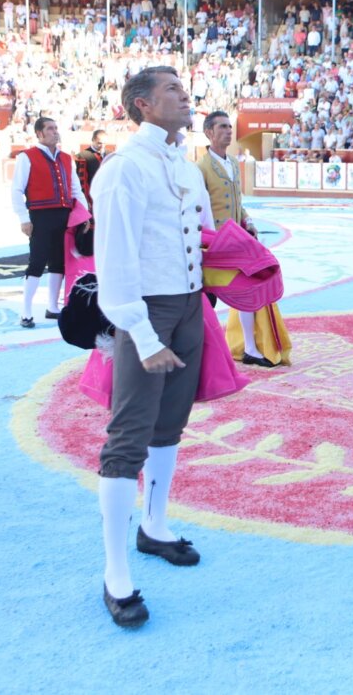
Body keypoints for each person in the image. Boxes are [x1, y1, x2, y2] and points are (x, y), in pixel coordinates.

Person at [92, 66, 214, 628]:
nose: (184, 97)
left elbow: (203, 238)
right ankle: (116, 572)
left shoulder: (182, 164)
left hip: (189, 306)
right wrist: (140, 334)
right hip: (148, 311)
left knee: (170, 426)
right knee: (127, 438)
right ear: (141, 105)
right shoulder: (124, 168)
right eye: (171, 90)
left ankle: (154, 526)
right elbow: (115, 262)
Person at [197, 110, 289, 367]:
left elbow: (238, 203)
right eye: (222, 127)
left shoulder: (231, 164)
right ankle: (229, 348)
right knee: (210, 298)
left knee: (247, 288)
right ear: (209, 132)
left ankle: (248, 347)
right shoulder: (201, 168)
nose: (228, 131)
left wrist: (246, 219)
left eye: (229, 126)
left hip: (235, 241)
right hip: (214, 244)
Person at [11, 117, 88, 328]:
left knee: (59, 262)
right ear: (39, 133)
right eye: (50, 129)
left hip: (64, 215)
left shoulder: (66, 158)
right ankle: (26, 311)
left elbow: (75, 190)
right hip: (40, 215)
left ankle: (53, 306)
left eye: (56, 128)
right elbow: (17, 190)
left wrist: (85, 216)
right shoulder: (26, 157)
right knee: (36, 262)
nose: (55, 132)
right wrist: (23, 218)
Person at [76, 129, 108, 200]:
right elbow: (82, 181)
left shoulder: (111, 155)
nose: (102, 146)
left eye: (104, 143)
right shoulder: (82, 156)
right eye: (99, 143)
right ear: (93, 140)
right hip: (92, 196)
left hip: (107, 194)